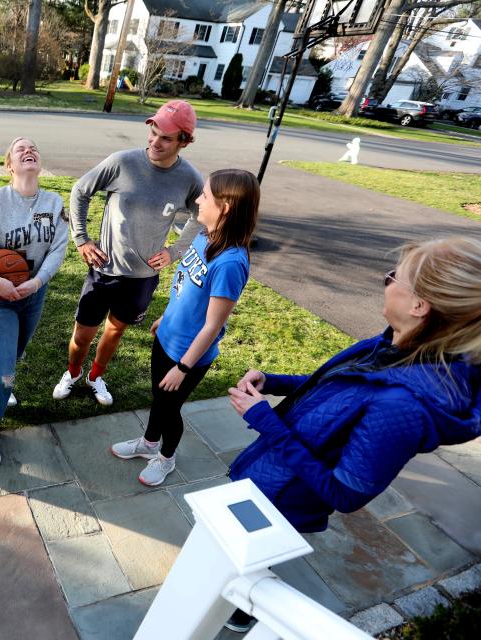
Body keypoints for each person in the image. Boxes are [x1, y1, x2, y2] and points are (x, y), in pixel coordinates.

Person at [223, 236, 481, 633]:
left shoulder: (403, 407)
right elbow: (342, 388)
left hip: (286, 494)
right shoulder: (397, 344)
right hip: (273, 473)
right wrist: (274, 382)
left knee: (250, 552)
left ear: (419, 306)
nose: (386, 280)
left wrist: (265, 420)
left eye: (395, 277)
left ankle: (241, 607)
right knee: (240, 546)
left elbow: (345, 494)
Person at [110, 169, 259, 486]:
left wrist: (182, 366)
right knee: (158, 399)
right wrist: (166, 317)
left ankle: (166, 457)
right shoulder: (205, 236)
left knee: (170, 409)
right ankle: (149, 444)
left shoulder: (232, 263)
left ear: (226, 207)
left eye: (205, 195)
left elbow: (212, 325)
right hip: (167, 338)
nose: (197, 200)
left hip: (187, 357)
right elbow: (186, 287)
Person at [53, 100, 205, 406]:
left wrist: (174, 251)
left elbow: (200, 215)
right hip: (104, 270)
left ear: (184, 141)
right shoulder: (122, 162)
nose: (155, 141)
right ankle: (72, 372)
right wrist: (81, 239)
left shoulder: (189, 178)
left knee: (114, 332)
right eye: (154, 132)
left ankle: (96, 376)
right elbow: (80, 191)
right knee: (83, 334)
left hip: (142, 278)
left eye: (166, 138)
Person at [0, 137, 69, 465]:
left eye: (33, 147)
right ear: (10, 165)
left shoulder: (54, 203)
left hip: (32, 294)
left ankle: (2, 385)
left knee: (16, 354)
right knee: (5, 371)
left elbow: (58, 248)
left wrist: (37, 282)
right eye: (19, 149)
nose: (28, 151)